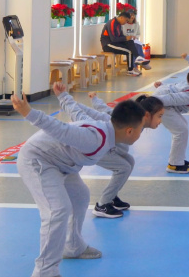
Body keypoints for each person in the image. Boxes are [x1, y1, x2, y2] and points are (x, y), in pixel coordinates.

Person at [12, 86, 147, 277]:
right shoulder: (94, 138)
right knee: (57, 210)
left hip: (61, 163)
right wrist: (29, 112)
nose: (142, 134)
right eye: (141, 129)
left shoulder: (106, 129)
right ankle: (45, 271)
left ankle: (73, 246)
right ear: (130, 131)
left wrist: (63, 96)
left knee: (80, 196)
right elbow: (60, 129)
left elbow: (76, 113)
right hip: (38, 160)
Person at [72, 90, 164, 218]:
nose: (160, 120)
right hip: (98, 148)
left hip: (110, 149)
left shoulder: (137, 122)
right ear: (147, 115)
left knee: (130, 161)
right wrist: (72, 103)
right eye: (159, 116)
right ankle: (102, 205)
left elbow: (104, 109)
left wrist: (94, 100)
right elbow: (103, 113)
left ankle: (111, 196)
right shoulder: (129, 120)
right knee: (123, 167)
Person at [100, 10, 148, 76]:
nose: (126, 23)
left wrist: (129, 37)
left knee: (130, 41)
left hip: (115, 43)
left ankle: (138, 57)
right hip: (108, 45)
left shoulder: (119, 24)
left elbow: (121, 36)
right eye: (126, 20)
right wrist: (125, 38)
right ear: (121, 17)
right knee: (129, 51)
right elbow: (113, 39)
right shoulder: (112, 23)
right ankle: (131, 70)